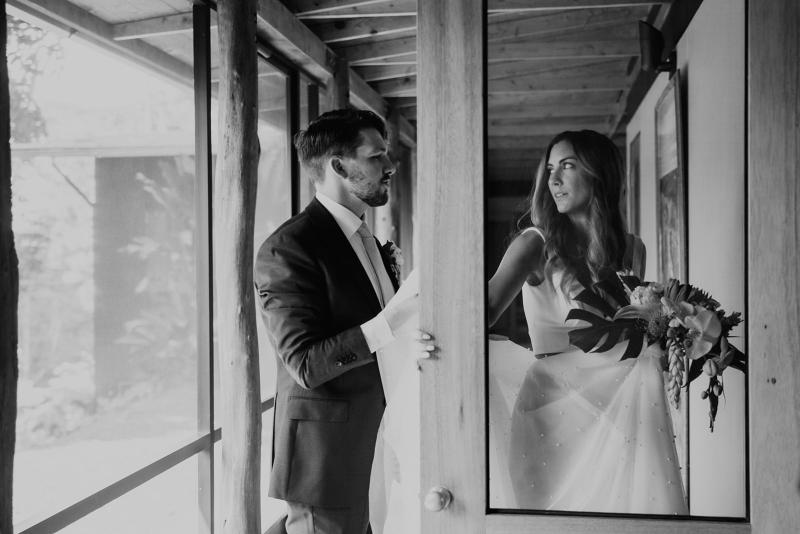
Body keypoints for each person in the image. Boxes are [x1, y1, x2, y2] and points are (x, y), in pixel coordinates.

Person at [487, 130, 688, 514]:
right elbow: (482, 313)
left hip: (617, 404)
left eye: (567, 166)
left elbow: (637, 327)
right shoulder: (534, 244)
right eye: (550, 170)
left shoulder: (631, 248)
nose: (554, 180)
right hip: (551, 406)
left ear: (599, 175)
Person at [255, 108, 432, 534]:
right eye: (376, 156)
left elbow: (381, 338)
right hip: (328, 459)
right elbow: (305, 363)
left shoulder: (367, 238)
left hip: (386, 441)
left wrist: (410, 340)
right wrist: (392, 320)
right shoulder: (288, 248)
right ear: (338, 166)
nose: (391, 165)